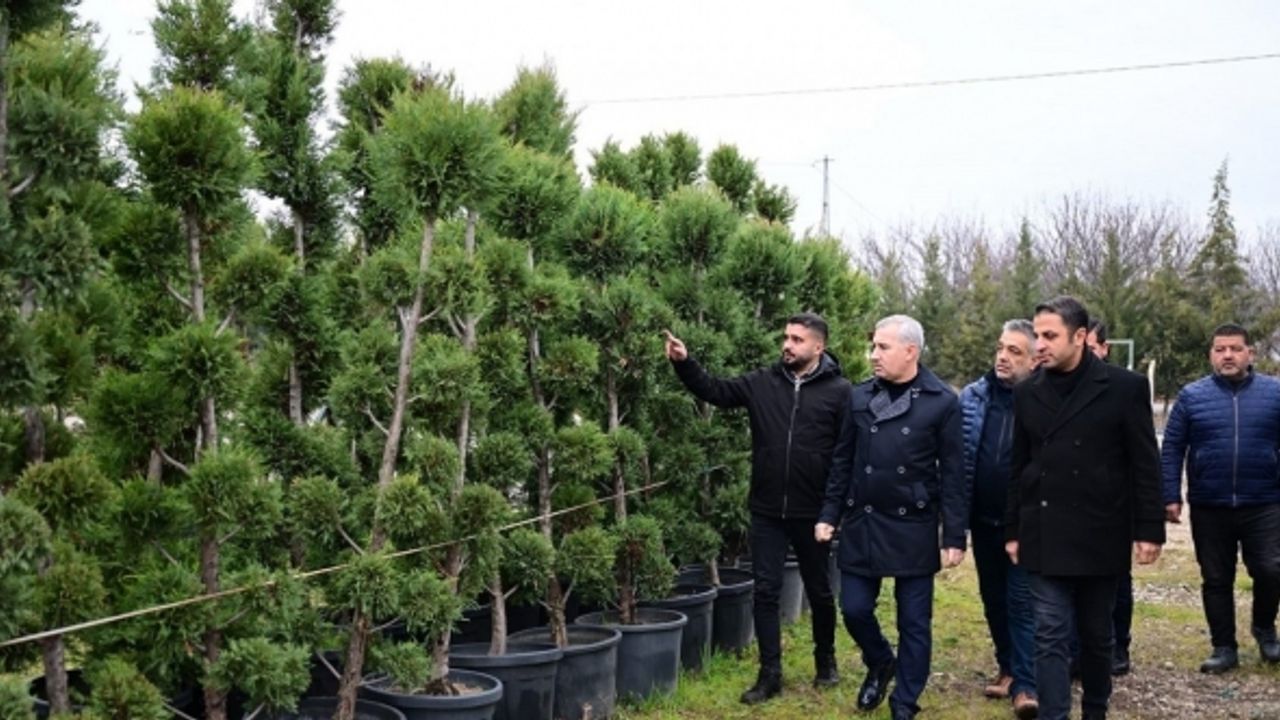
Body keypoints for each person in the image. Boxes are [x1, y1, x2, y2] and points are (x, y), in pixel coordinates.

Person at [665, 313, 847, 704]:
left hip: (813, 513)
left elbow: (845, 458)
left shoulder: (840, 393)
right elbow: (716, 390)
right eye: (786, 337)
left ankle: (826, 661)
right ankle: (770, 674)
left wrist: (833, 512)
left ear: (818, 347)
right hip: (767, 509)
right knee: (765, 592)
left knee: (819, 591)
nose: (788, 344)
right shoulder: (762, 383)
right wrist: (684, 362)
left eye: (798, 339)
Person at [1005, 296, 1164, 720]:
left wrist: (1149, 529)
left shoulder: (1125, 388)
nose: (1040, 344)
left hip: (1101, 531)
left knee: (1096, 636)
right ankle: (1054, 715)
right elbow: (1017, 466)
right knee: (1050, 633)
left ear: (1080, 337)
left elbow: (1144, 463)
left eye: (1050, 335)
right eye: (1037, 335)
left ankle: (1095, 710)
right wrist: (1012, 529)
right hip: (1045, 530)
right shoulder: (1026, 393)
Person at [816, 314, 967, 720]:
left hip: (913, 524)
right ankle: (881, 660)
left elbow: (954, 473)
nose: (873, 355)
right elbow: (842, 460)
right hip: (863, 520)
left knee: (914, 622)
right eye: (874, 346)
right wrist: (829, 513)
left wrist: (954, 535)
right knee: (855, 609)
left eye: (882, 347)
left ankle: (905, 702)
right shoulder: (859, 396)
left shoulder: (942, 402)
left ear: (910, 351)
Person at [1160, 323, 1280, 674]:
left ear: (1250, 354)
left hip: (1265, 501)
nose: (1227, 355)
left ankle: (1265, 629)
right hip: (1209, 503)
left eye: (1235, 348)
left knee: (1271, 570)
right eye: (1220, 349)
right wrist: (1170, 495)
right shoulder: (1192, 396)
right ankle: (1223, 646)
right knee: (1216, 577)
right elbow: (1172, 449)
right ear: (1211, 354)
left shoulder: (1274, 394)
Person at [961, 320, 1039, 719]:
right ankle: (1008, 667)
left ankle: (1027, 684)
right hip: (983, 519)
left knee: (1022, 601)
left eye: (1014, 351)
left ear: (1033, 359)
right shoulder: (973, 397)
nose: (1003, 357)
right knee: (994, 600)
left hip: (1025, 524)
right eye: (1000, 348)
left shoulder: (1043, 399)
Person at [1085, 318, 1135, 676]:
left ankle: (1118, 645)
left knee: (1115, 582)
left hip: (1113, 505)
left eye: (1090, 349)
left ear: (1104, 348)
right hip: (1068, 504)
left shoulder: (1123, 390)